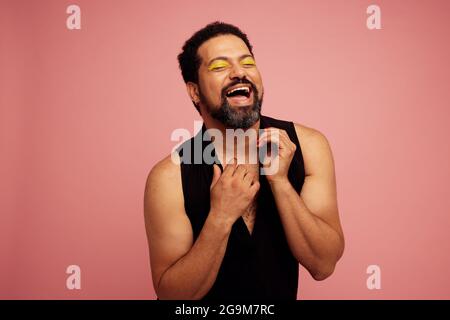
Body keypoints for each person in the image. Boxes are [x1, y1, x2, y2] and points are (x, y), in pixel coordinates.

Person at [144, 21, 344, 300]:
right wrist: (220, 217)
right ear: (194, 91)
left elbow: (323, 265)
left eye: (248, 63)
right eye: (219, 66)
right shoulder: (168, 178)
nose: (239, 73)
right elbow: (173, 296)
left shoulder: (309, 147)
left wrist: (280, 183)